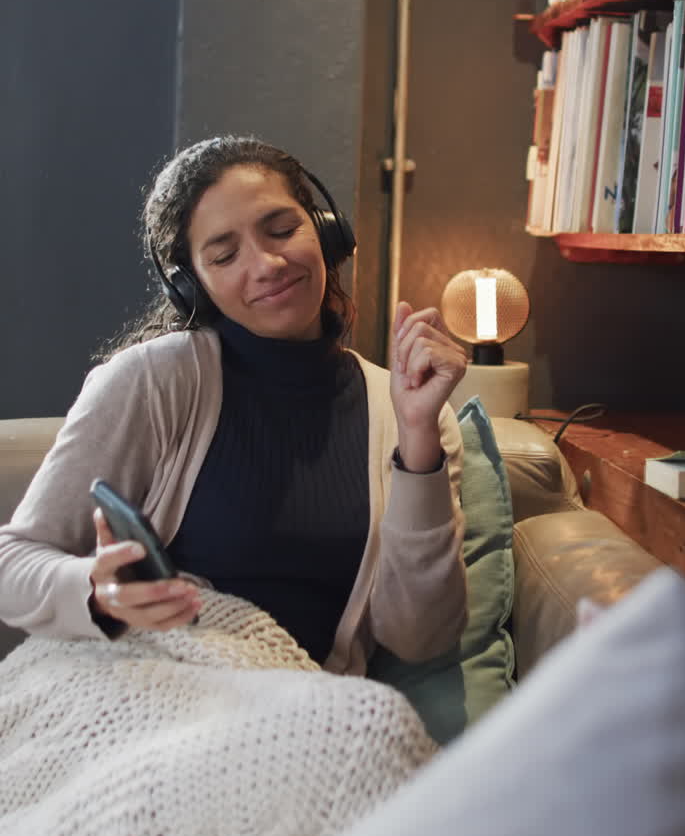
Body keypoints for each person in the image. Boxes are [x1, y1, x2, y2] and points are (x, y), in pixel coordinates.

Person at [0, 135, 468, 675]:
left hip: (301, 712)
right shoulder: (154, 381)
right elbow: (14, 565)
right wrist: (97, 591)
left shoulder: (407, 415)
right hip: (149, 684)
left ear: (326, 230)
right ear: (190, 285)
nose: (267, 263)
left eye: (283, 230)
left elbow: (420, 639)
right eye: (224, 254)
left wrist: (417, 443)